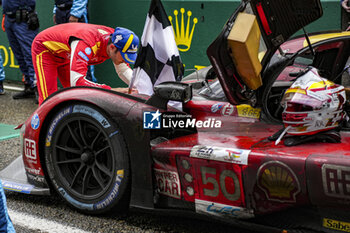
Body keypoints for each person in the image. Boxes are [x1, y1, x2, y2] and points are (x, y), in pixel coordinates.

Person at [31, 23, 139, 105]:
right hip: (46, 50)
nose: (126, 61)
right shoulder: (88, 42)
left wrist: (139, 86)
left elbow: (123, 70)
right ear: (112, 48)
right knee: (49, 101)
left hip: (67, 54)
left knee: (76, 99)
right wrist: (113, 91)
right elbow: (77, 82)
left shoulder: (116, 40)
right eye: (124, 56)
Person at [2, 0, 39, 102]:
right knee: (19, 55)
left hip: (23, 19)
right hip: (10, 19)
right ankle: (29, 85)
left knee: (30, 54)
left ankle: (38, 88)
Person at [53, 0, 97, 82]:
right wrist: (56, 10)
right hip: (60, 12)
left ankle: (88, 86)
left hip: (75, 14)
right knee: (65, 53)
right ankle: (72, 88)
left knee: (82, 50)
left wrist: (75, 14)